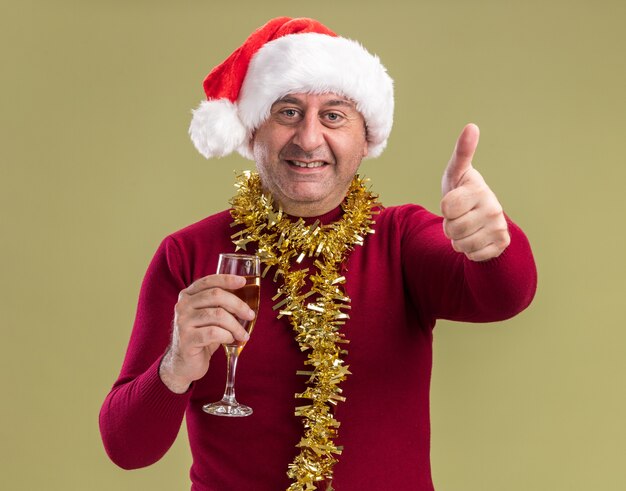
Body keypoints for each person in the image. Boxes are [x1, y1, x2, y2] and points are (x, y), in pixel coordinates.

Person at [99, 17, 537, 491]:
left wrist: (494, 244)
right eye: (287, 112)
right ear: (251, 133)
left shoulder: (401, 239)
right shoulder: (187, 254)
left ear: (366, 139)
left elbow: (503, 296)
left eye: (333, 115)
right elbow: (127, 448)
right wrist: (174, 367)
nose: (308, 139)